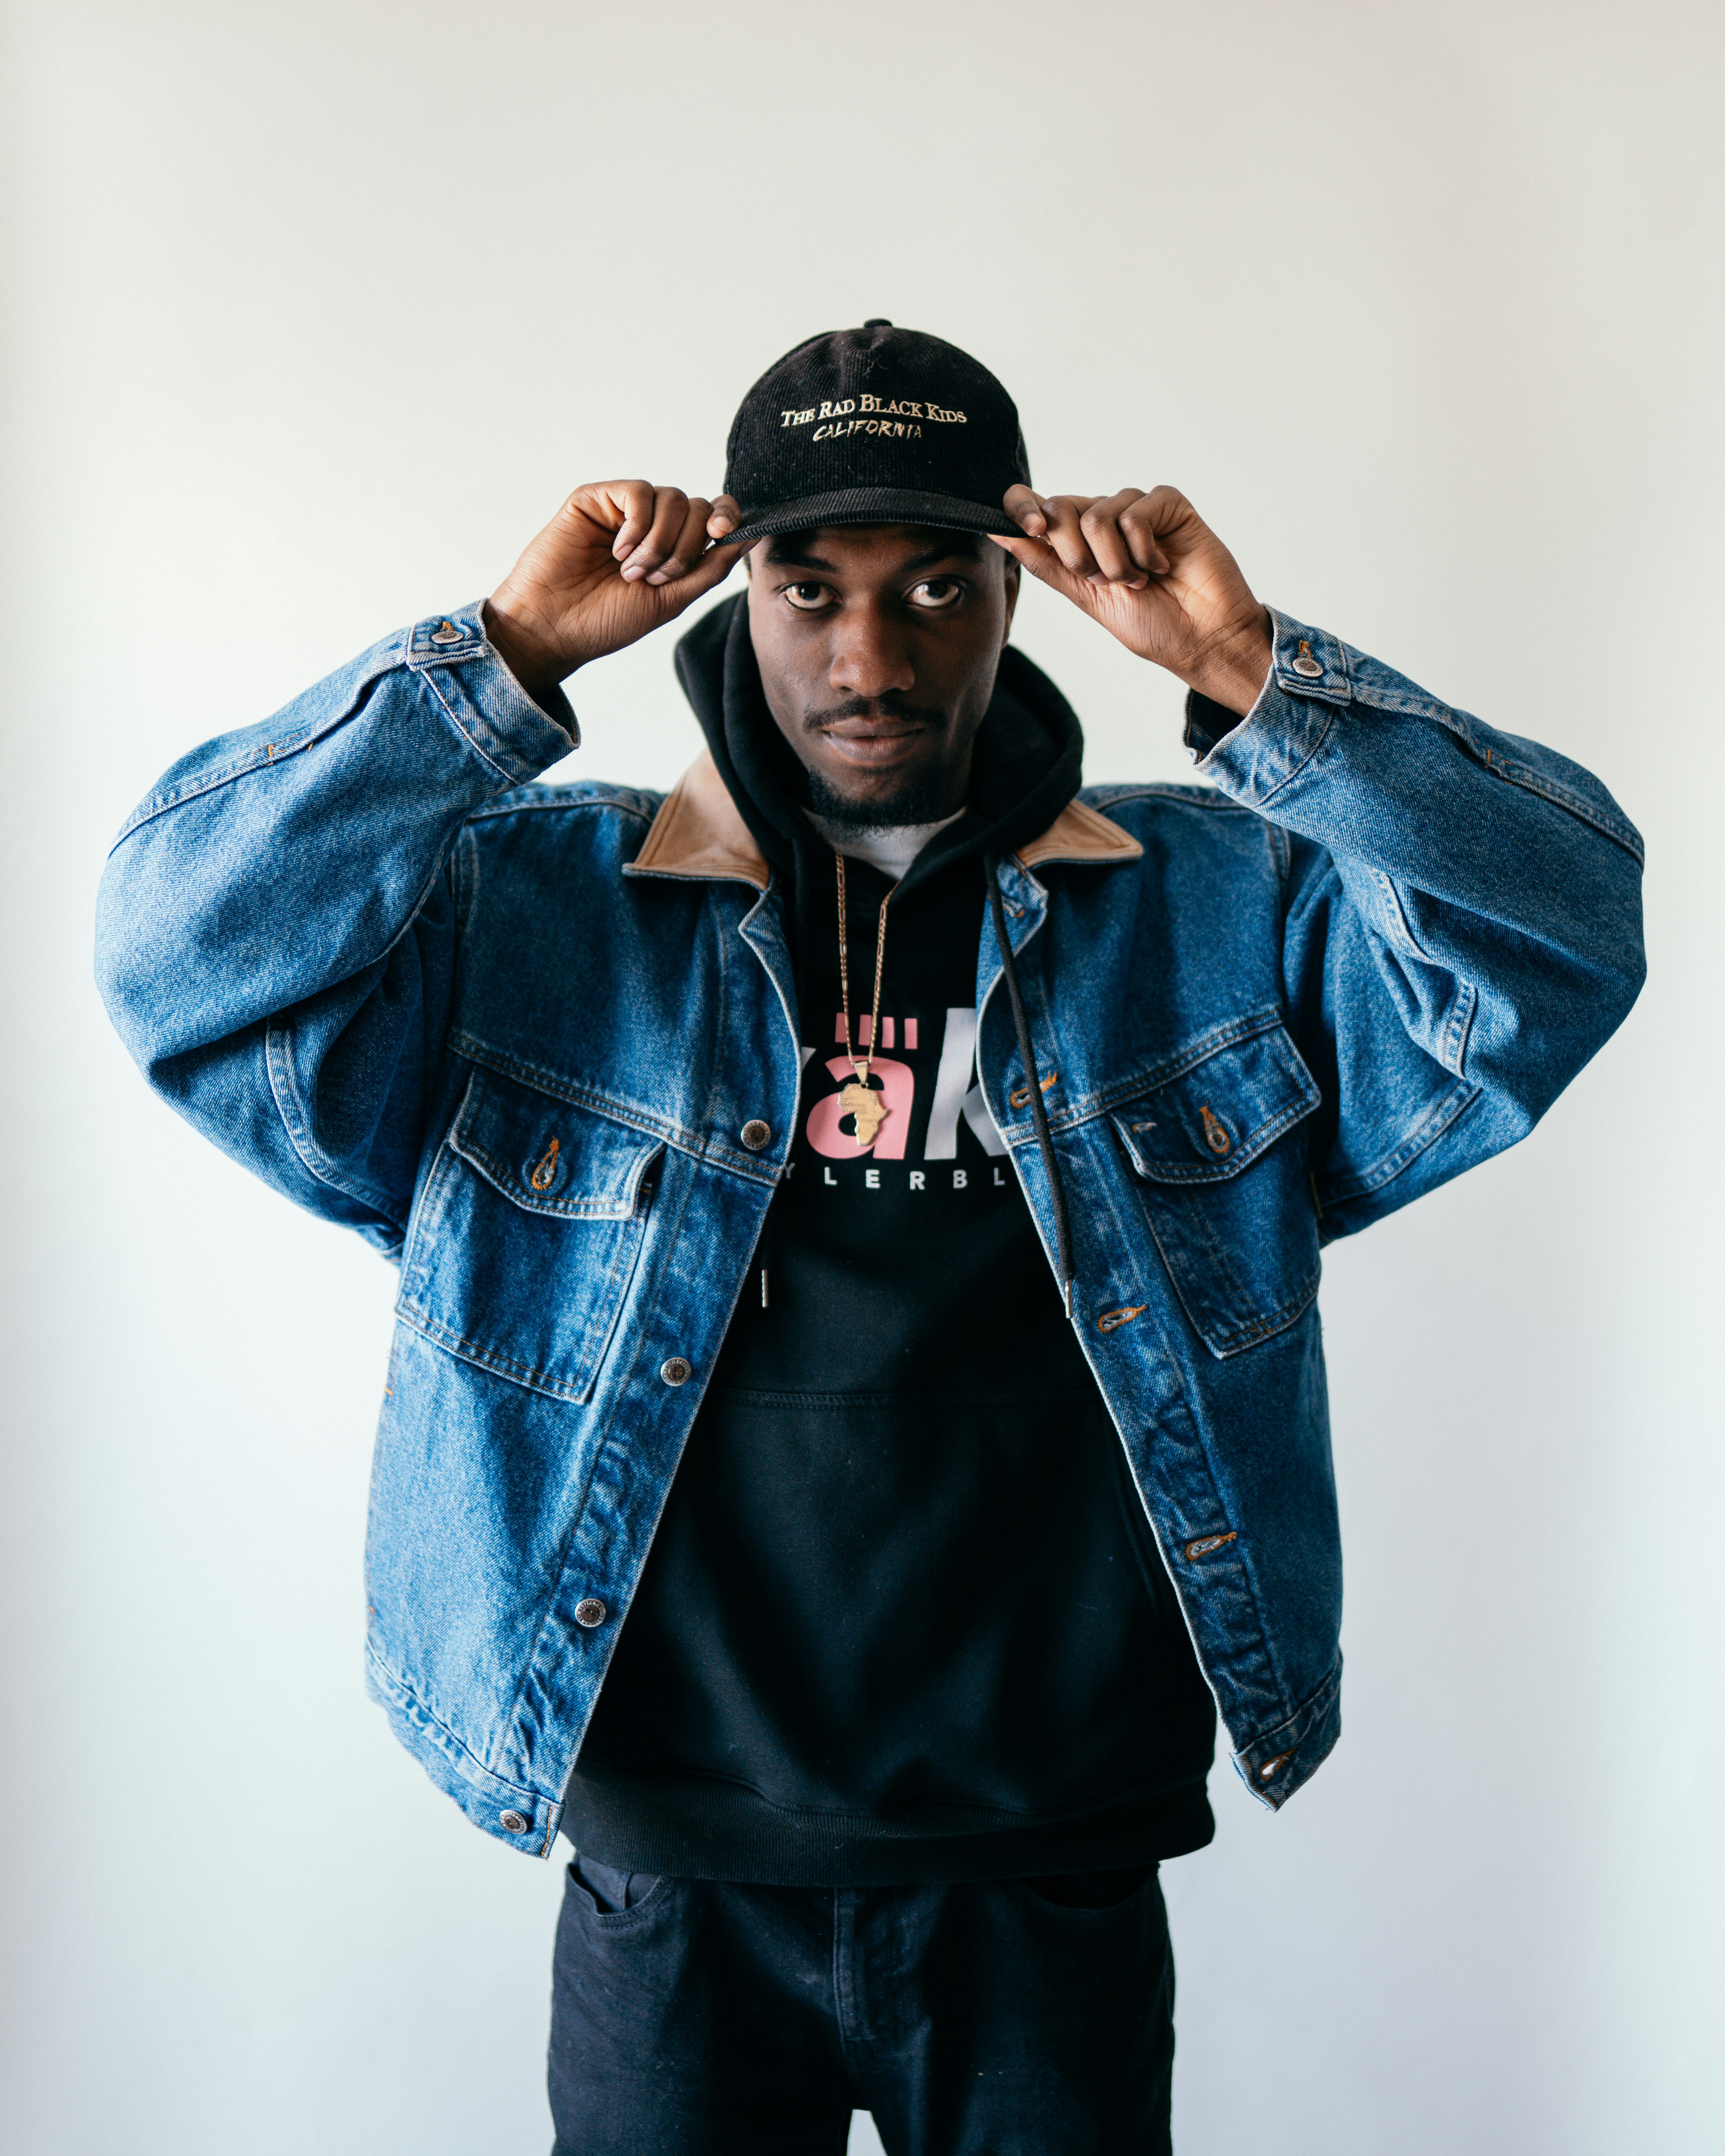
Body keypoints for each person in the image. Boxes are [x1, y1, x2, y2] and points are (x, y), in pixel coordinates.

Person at [95, 322, 1645, 2154]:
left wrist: (1248, 669)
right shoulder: (533, 912)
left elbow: (1557, 937)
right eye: (808, 583)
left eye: (934, 583)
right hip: (671, 1869)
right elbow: (174, 954)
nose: (870, 652)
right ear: (736, 590)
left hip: (1048, 1862)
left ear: (1017, 592)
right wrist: (498, 667)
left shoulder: (1221, 909)